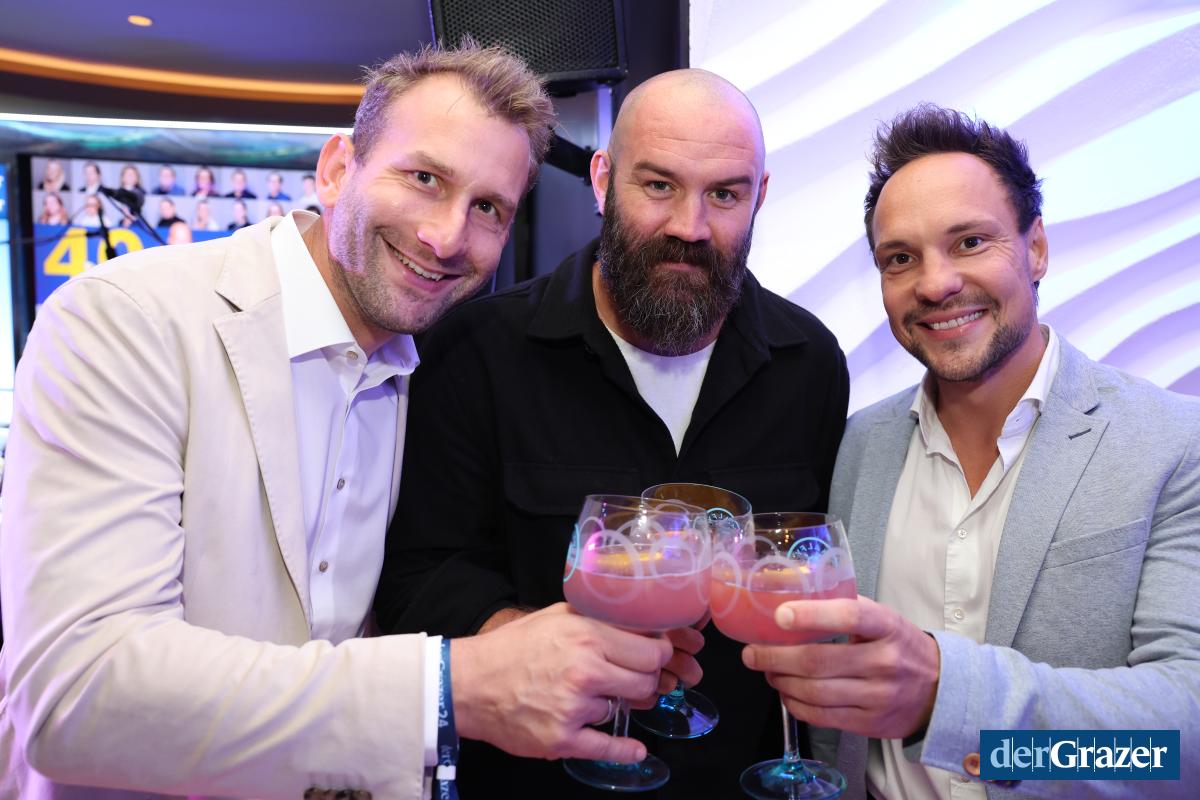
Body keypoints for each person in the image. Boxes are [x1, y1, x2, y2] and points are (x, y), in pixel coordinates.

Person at [0, 42, 674, 800]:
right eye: (424, 178)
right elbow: (76, 695)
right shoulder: (125, 320)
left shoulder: (437, 367)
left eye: (488, 208)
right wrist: (446, 689)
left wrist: (519, 646)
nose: (447, 237)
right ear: (335, 169)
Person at [373, 68, 850, 798]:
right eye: (658, 185)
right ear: (602, 181)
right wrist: (547, 654)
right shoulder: (480, 348)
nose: (690, 227)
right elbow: (421, 577)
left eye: (725, 195)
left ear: (759, 196)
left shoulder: (808, 363)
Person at [741, 104, 1200, 798]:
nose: (934, 284)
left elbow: (1180, 746)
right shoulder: (860, 444)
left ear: (1036, 247)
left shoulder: (1172, 442)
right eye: (900, 259)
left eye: (970, 242)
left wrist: (946, 702)